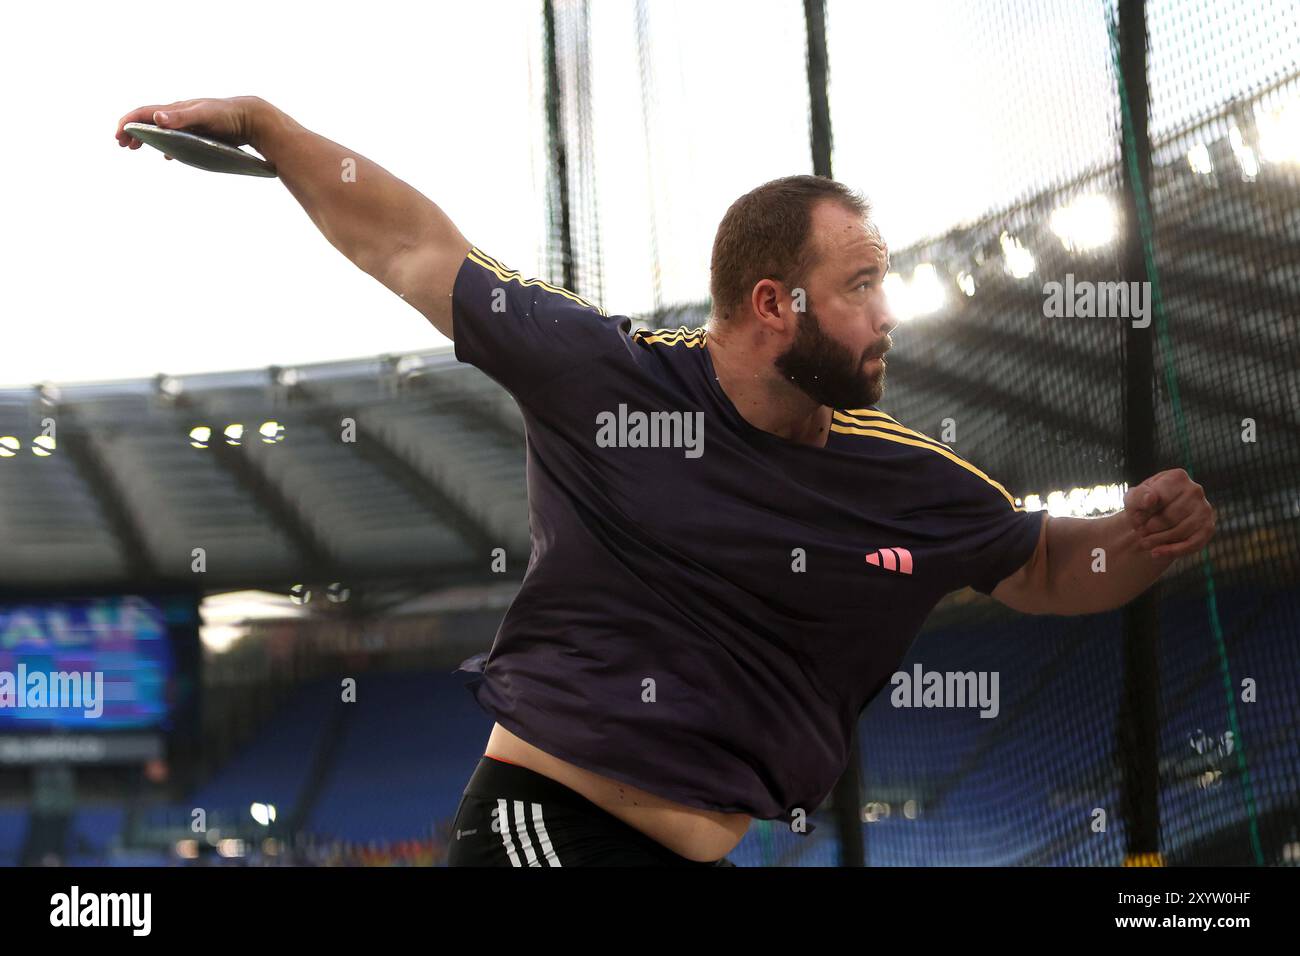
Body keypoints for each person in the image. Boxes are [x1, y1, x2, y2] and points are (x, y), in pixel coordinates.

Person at [116, 97, 1217, 867]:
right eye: (862, 284)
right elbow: (407, 244)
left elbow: (1041, 565)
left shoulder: (905, 478)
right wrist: (264, 122)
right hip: (535, 828)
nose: (887, 313)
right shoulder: (604, 374)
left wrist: (1138, 539)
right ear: (774, 301)